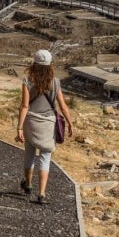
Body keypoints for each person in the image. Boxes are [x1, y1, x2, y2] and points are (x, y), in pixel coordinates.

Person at [15, 49, 74, 204]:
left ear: (34, 63)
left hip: (31, 122)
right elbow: (63, 105)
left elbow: (24, 106)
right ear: (49, 65)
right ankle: (41, 194)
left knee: (29, 153)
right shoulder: (55, 82)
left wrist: (19, 127)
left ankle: (28, 185)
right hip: (48, 123)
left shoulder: (27, 80)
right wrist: (70, 123)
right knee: (45, 158)